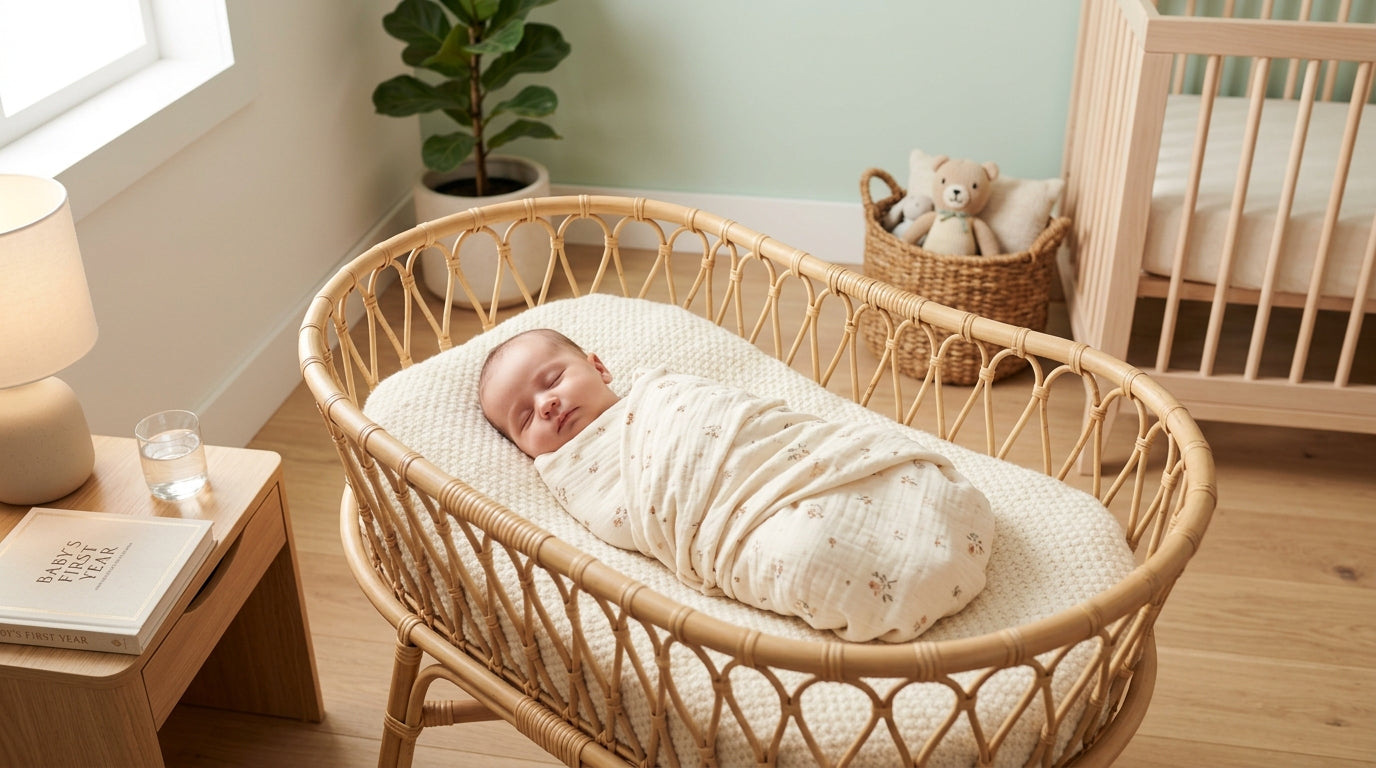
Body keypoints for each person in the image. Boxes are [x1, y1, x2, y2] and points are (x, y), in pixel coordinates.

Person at [478, 328, 994, 642]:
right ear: (524, 450)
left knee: (860, 465)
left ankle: (920, 501)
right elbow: (624, 518)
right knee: (806, 549)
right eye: (525, 418)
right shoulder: (570, 473)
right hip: (735, 520)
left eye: (552, 380)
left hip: (780, 460)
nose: (546, 404)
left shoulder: (661, 395)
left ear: (599, 367)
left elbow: (749, 423)